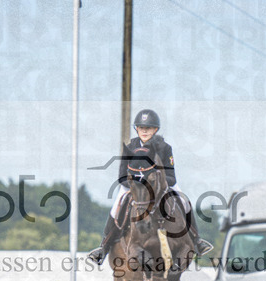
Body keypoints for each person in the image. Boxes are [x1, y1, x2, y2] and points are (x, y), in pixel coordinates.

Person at [88, 109, 213, 264]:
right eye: (141, 128)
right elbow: (121, 176)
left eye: (148, 128)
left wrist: (155, 183)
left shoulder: (165, 148)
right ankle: (103, 248)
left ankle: (197, 241)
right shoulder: (130, 147)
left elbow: (172, 178)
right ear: (136, 129)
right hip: (133, 187)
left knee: (185, 202)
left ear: (156, 130)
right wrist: (137, 184)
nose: (145, 131)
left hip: (160, 187)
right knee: (116, 208)